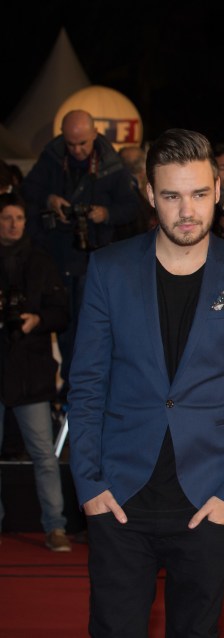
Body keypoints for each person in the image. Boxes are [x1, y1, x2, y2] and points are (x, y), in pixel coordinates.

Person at [68, 128, 224, 635]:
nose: (187, 210)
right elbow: (86, 384)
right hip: (118, 501)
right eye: (172, 195)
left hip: (207, 502)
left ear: (217, 191)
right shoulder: (108, 270)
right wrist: (89, 483)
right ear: (150, 196)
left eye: (200, 194)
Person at [20, 109, 141, 400]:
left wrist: (105, 214)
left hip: (97, 260)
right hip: (57, 258)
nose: (77, 150)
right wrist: (49, 200)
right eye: (71, 144)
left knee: (96, 329)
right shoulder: (50, 159)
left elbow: (134, 208)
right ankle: (70, 392)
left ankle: (95, 391)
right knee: (64, 327)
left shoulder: (113, 167)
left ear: (95, 135)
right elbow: (26, 193)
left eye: (83, 144)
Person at [0, 192, 71, 552]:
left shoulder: (41, 262)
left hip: (32, 372)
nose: (13, 225)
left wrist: (37, 320)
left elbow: (63, 312)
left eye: (18, 218)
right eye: (6, 218)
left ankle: (55, 526)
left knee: (44, 454)